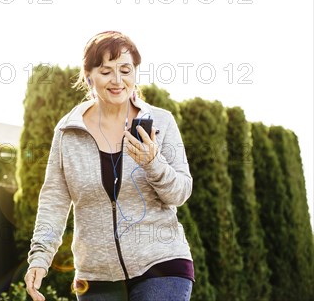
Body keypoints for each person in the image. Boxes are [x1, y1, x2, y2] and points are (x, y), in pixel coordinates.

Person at [24, 31, 195, 301]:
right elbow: (54, 201)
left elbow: (181, 193)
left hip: (162, 264)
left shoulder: (161, 123)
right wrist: (40, 258)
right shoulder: (68, 132)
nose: (117, 81)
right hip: (96, 276)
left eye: (125, 70)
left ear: (135, 73)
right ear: (89, 75)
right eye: (105, 71)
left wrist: (153, 163)